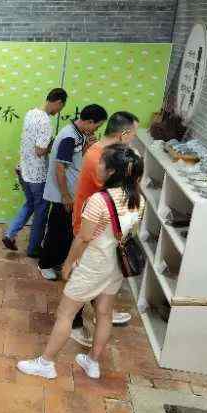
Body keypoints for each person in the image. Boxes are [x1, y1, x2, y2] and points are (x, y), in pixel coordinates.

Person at [17, 144, 144, 380]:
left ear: (111, 171)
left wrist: (68, 264)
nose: (98, 165)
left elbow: (84, 238)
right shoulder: (138, 199)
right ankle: (93, 362)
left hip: (93, 265)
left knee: (65, 314)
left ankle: (46, 363)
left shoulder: (99, 200)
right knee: (104, 313)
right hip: (115, 266)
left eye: (102, 163)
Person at [69, 112, 139, 347]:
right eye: (133, 134)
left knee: (98, 272)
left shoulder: (108, 154)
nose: (133, 139)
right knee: (81, 274)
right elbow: (116, 192)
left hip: (100, 225)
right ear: (124, 134)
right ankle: (75, 323)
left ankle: (103, 309)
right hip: (88, 223)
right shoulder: (99, 157)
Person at [38, 104, 108, 281]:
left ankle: (57, 261)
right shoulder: (69, 137)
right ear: (89, 121)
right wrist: (65, 195)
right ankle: (45, 264)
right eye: (97, 126)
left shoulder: (78, 134)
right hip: (63, 194)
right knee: (56, 230)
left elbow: (75, 160)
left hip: (70, 192)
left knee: (65, 231)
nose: (96, 130)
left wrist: (87, 148)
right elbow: (60, 168)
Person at [2, 88, 68, 256]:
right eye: (61, 107)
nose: (59, 111)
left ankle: (10, 234)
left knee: (30, 204)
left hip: (23, 169)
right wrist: (53, 145)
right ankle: (33, 249)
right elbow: (40, 151)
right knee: (41, 211)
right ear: (58, 102)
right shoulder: (45, 122)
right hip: (37, 174)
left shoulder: (31, 113)